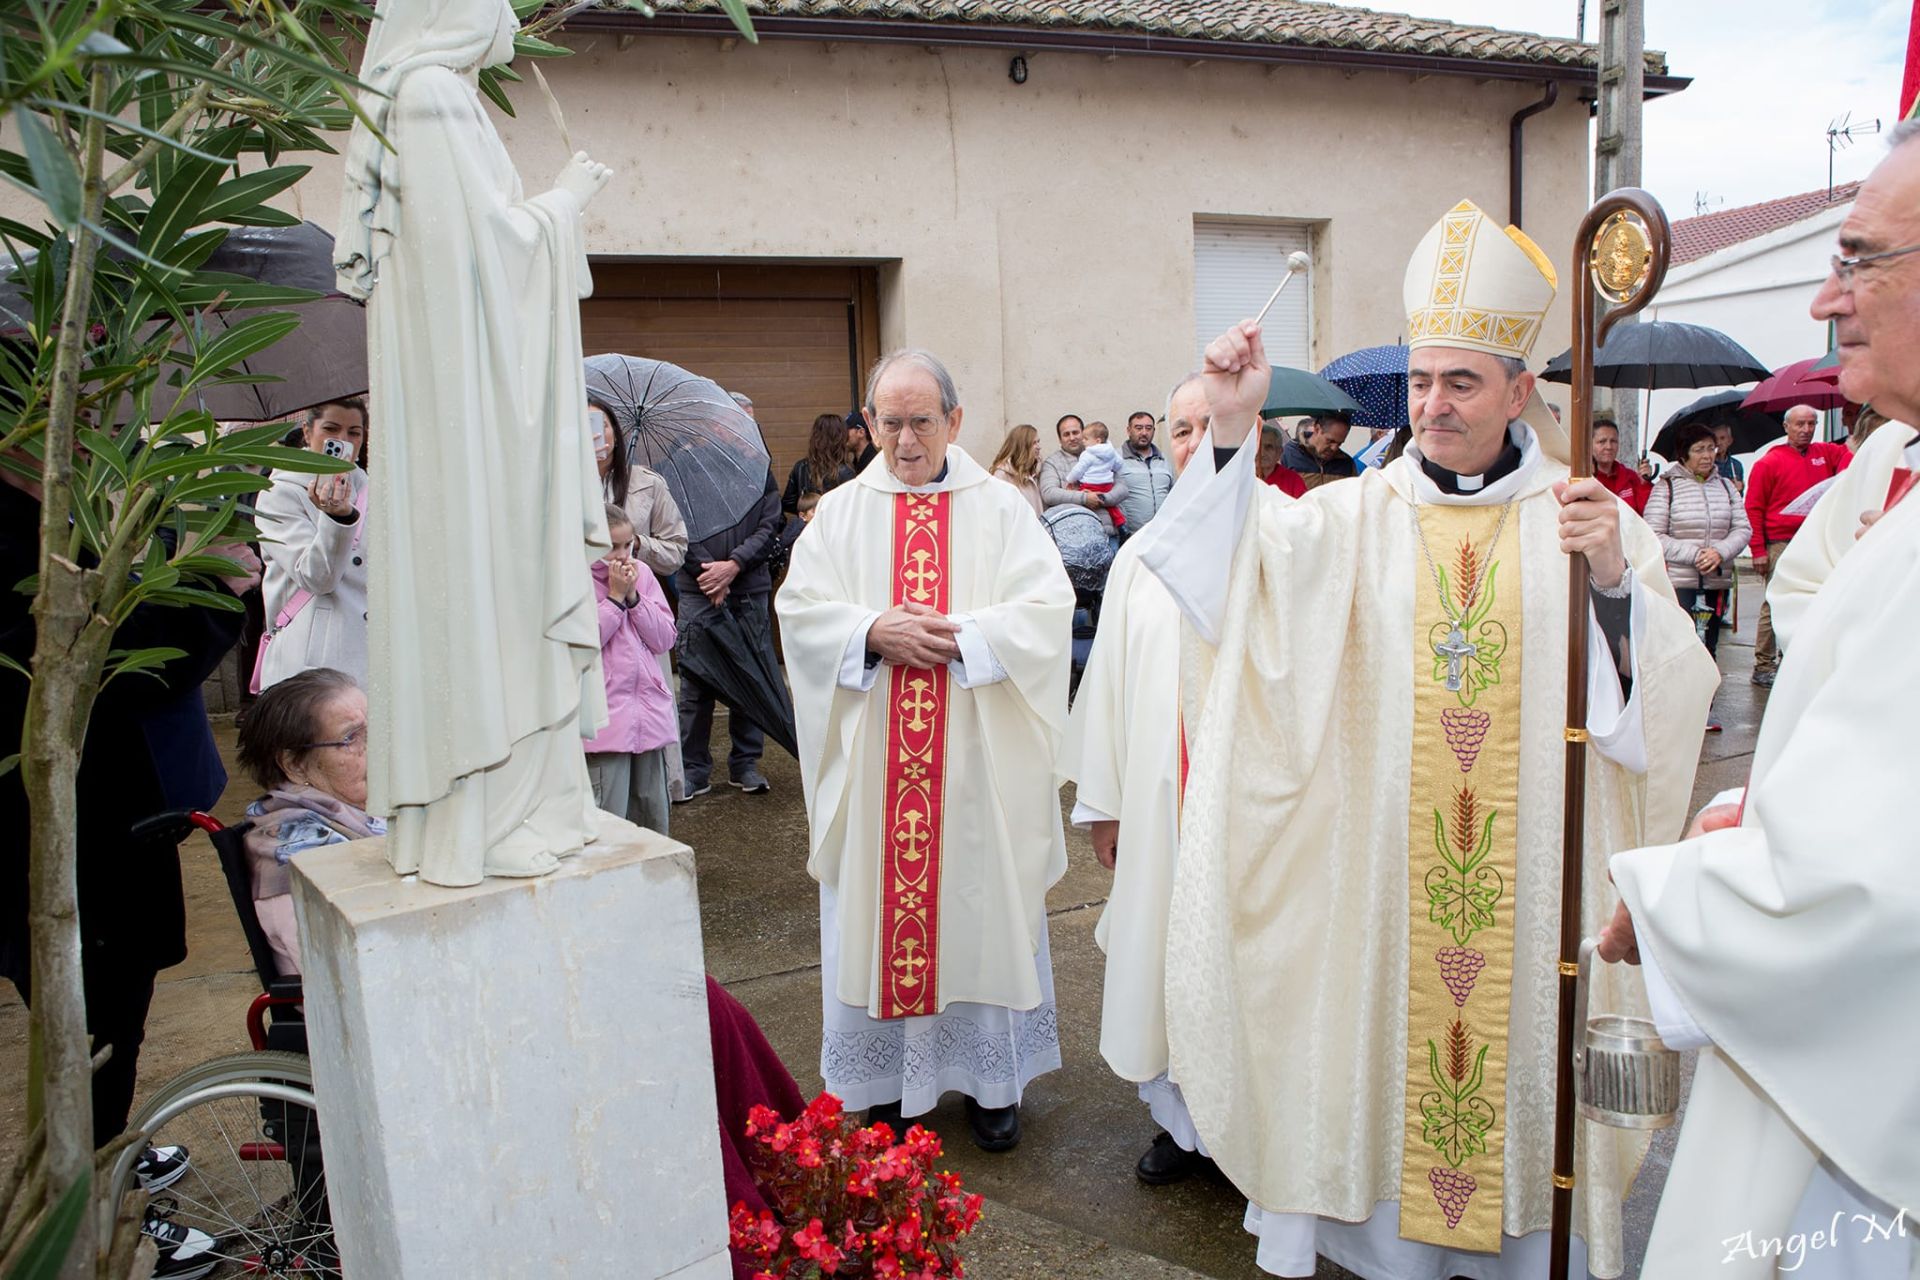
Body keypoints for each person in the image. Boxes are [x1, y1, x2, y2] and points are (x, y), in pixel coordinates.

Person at [1137, 199, 1716, 1279]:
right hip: (1386, 901)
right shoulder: (1357, 517)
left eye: (1460, 381)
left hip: (1529, 902)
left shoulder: (1590, 519)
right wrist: (1229, 429)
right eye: (1420, 381)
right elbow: (1231, 581)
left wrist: (1609, 583)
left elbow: (1662, 711)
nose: (1433, 403)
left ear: (1518, 391)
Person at [1599, 123, 1920, 1280]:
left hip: (1868, 1156)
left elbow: (1869, 895)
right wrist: (1769, 809)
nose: (1828, 299)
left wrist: (1680, 890)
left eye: (1861, 257)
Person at [336, 0, 613, 886]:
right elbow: (493, 259)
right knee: (500, 591)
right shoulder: (431, 99)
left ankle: (506, 808)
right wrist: (568, 199)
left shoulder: (409, 98)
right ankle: (490, 813)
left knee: (493, 594)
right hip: (479, 425)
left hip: (465, 412)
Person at [776, 349, 1074, 1154]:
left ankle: (990, 1084)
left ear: (955, 421)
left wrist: (961, 638)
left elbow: (1050, 609)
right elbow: (798, 611)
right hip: (877, 766)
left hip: (977, 761)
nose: (906, 441)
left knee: (980, 908)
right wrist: (869, 631)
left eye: (922, 422)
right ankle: (885, 1086)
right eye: (890, 423)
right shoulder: (838, 514)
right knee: (880, 910)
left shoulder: (1004, 509)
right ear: (867, 425)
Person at [1, 460, 257, 1155]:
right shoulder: (24, 531)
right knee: (89, 1018)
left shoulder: (99, 501)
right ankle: (90, 1191)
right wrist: (213, 589)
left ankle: (109, 1157)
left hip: (130, 807)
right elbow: (100, 667)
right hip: (66, 825)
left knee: (117, 1005)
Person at [1063, 370, 1232, 1188]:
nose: (1194, 444)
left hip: (1249, 817)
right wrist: (1105, 804)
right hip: (1162, 807)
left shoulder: (1291, 538)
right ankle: (1179, 1123)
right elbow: (1110, 690)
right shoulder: (1141, 560)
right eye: (1181, 431)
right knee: (1163, 958)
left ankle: (1245, 1134)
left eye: (1211, 427)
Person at [235, 668, 384, 976]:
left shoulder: (354, 814)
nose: (376, 747)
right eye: (350, 738)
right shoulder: (296, 854)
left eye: (375, 729)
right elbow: (346, 974)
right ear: (294, 765)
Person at [675, 465, 783, 800]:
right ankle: (692, 769)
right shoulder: (683, 471)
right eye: (743, 407)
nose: (747, 413)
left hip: (749, 587)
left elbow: (769, 527)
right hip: (698, 588)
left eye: (749, 408)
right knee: (695, 682)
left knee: (749, 676)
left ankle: (746, 762)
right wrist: (708, 574)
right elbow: (677, 526)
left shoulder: (759, 473)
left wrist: (733, 565)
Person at [254, 399, 372, 690]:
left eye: (354, 433)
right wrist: (337, 519)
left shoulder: (374, 488)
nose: (342, 441)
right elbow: (317, 577)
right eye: (331, 429)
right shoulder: (279, 493)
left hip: (369, 651)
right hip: (311, 658)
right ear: (307, 432)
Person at [1642, 423, 1749, 733]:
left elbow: (1743, 528)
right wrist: (1695, 555)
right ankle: (1677, 710)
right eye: (1699, 449)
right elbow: (1654, 534)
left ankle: (1704, 710)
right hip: (1679, 582)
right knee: (1680, 647)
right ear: (1684, 454)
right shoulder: (1667, 487)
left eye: (1711, 447)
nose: (1707, 455)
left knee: (1709, 647)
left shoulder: (1727, 487)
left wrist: (1718, 552)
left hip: (1716, 580)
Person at [583, 503, 677, 835]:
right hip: (606, 722)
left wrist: (635, 598)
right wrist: (613, 599)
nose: (623, 556)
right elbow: (584, 642)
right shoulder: (578, 581)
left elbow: (665, 638)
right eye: (612, 546)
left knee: (653, 819)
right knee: (611, 822)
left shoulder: (643, 574)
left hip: (648, 717)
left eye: (628, 545)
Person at [1744, 403, 1851, 688]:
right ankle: (1764, 664)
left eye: (1811, 424)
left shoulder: (1825, 453)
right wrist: (1757, 550)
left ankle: (1793, 658)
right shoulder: (1768, 462)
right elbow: (1753, 508)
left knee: (1811, 598)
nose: (1806, 430)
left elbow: (1850, 456)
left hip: (1814, 538)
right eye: (1800, 424)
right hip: (1780, 542)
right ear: (1786, 427)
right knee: (1773, 602)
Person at [1039, 413, 1125, 534]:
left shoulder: (1104, 455)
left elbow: (1123, 488)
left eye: (1075, 432)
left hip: (1107, 531)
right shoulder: (1052, 462)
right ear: (1060, 439)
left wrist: (1101, 498)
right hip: (1072, 534)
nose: (1072, 438)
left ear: (1083, 434)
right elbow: (1049, 493)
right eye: (1066, 434)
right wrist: (1084, 498)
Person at [782, 413, 855, 516]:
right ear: (841, 438)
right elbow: (852, 508)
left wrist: (808, 512)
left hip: (809, 526)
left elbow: (788, 502)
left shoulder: (801, 467)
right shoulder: (846, 472)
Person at [1064, 420, 1127, 532]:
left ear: (1097, 441)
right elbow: (1119, 465)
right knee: (1112, 506)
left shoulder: (1088, 454)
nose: (1083, 441)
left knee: (1082, 499)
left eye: (1086, 439)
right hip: (1107, 486)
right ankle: (1121, 524)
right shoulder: (1112, 452)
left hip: (1090, 485)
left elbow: (1078, 470)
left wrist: (1070, 479)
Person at [1116, 409, 1174, 531]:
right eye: (1138, 428)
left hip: (1163, 532)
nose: (1144, 432)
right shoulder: (1116, 459)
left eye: (1148, 428)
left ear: (1153, 431)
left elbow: (1174, 494)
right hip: (1131, 537)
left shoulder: (1163, 460)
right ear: (1128, 430)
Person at [1281, 408, 1358, 488]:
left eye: (1340, 443)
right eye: (1330, 441)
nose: (1334, 448)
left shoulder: (1347, 464)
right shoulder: (1288, 454)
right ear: (1317, 429)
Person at [1589, 417, 1650, 514]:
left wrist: (1645, 484)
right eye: (1602, 441)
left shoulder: (1630, 477)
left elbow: (1647, 513)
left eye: (1613, 441)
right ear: (1589, 445)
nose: (1609, 447)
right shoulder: (1584, 478)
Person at [988, 423, 1045, 518]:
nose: (1039, 447)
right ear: (1022, 446)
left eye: (1038, 442)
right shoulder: (1002, 475)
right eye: (1034, 443)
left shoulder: (1035, 471)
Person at [1255, 422, 1306, 496]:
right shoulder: (1241, 477)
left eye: (1269, 447)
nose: (1261, 453)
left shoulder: (1293, 480)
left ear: (1279, 453)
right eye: (1257, 447)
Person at [1711, 421, 1745, 489]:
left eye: (1722, 438)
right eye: (1715, 439)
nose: (1718, 442)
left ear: (1730, 441)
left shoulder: (1736, 465)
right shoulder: (1707, 464)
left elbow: (1740, 495)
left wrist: (1741, 487)